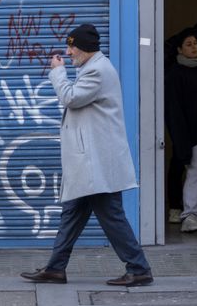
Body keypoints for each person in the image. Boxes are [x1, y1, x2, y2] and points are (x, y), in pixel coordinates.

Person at [20, 24, 153, 287]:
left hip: (96, 163)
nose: (68, 52)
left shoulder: (98, 72)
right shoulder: (91, 68)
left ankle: (139, 268)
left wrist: (58, 73)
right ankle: (55, 268)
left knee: (111, 217)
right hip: (89, 161)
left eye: (72, 47)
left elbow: (70, 98)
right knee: (72, 213)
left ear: (86, 48)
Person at [164, 29, 197, 233]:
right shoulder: (176, 74)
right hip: (190, 133)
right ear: (180, 49)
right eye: (189, 44)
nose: (194, 47)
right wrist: (181, 137)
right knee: (196, 172)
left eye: (196, 43)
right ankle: (190, 214)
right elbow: (174, 109)